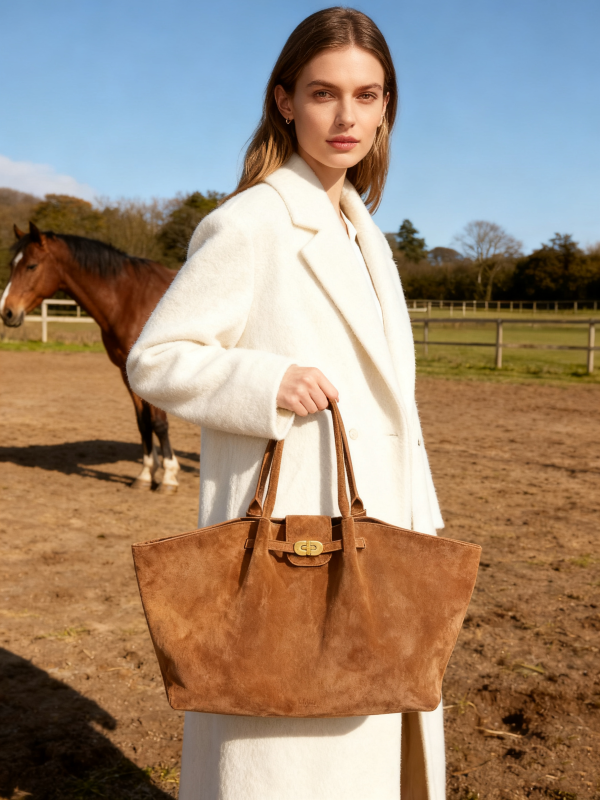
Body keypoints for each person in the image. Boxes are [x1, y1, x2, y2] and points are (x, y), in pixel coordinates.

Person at [126, 7, 446, 799]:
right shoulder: (253, 222)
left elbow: (391, 407)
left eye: (368, 96)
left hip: (378, 548)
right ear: (283, 100)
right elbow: (155, 359)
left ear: (386, 107)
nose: (347, 117)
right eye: (323, 93)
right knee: (290, 764)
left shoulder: (363, 233)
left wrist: (422, 525)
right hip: (291, 562)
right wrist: (265, 383)